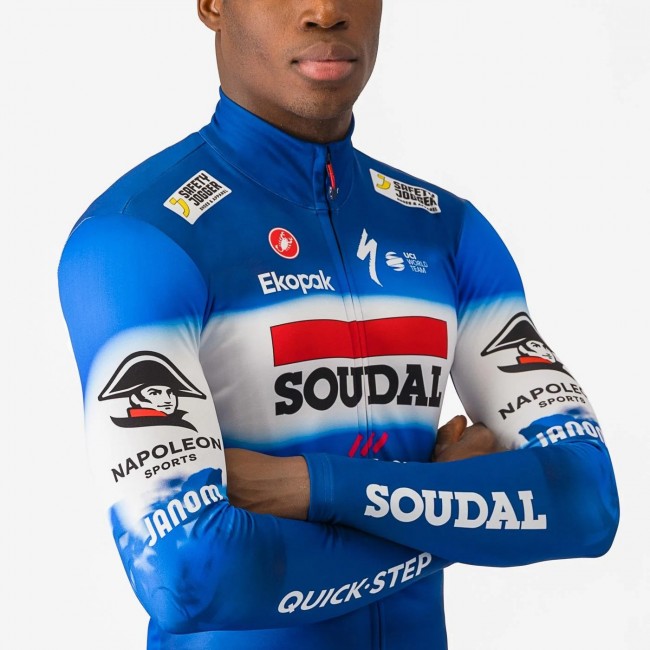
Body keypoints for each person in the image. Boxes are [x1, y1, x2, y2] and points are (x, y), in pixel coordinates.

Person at [57, 1, 619, 648]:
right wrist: (453, 513)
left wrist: (315, 487)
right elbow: (187, 576)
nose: (326, 11)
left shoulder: (445, 231)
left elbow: (586, 501)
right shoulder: (138, 239)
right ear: (212, 5)